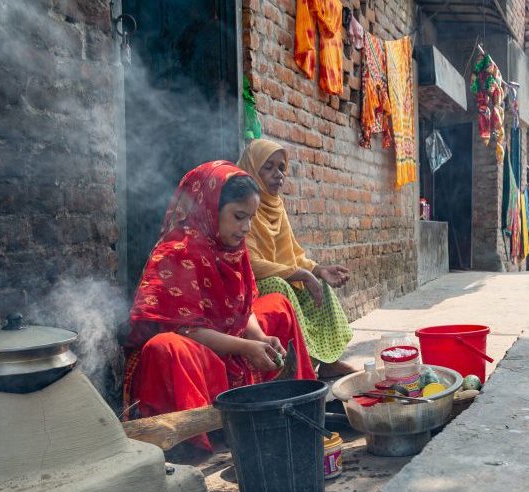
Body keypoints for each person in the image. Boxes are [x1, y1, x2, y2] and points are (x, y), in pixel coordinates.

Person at [123, 161, 317, 450]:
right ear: (211, 209)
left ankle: (294, 403)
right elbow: (185, 331)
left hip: (232, 342)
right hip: (200, 354)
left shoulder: (233, 248)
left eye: (250, 218)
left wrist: (260, 339)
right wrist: (246, 347)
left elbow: (244, 307)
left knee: (277, 305)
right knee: (166, 347)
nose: (246, 228)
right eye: (238, 217)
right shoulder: (177, 250)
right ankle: (198, 435)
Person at [237, 139, 356, 378]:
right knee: (280, 286)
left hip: (279, 272)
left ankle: (329, 361)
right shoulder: (241, 206)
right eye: (268, 167)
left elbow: (293, 252)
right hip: (251, 283)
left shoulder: (276, 205)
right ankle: (299, 365)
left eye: (281, 168)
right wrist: (299, 273)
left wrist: (318, 269)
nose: (278, 174)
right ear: (252, 168)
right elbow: (251, 263)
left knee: (318, 280)